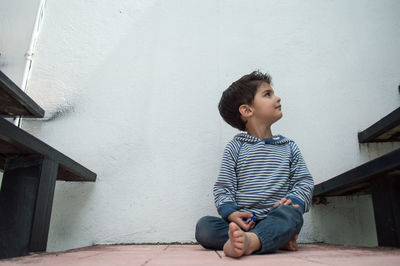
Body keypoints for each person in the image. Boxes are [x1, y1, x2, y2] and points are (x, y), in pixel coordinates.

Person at [195, 71, 314, 258]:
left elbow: (304, 182)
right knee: (204, 227)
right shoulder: (235, 147)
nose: (277, 98)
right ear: (247, 110)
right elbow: (223, 188)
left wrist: (294, 201)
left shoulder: (289, 147)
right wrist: (232, 214)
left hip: (277, 216)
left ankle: (251, 241)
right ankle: (273, 240)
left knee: (291, 215)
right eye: (268, 94)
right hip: (246, 221)